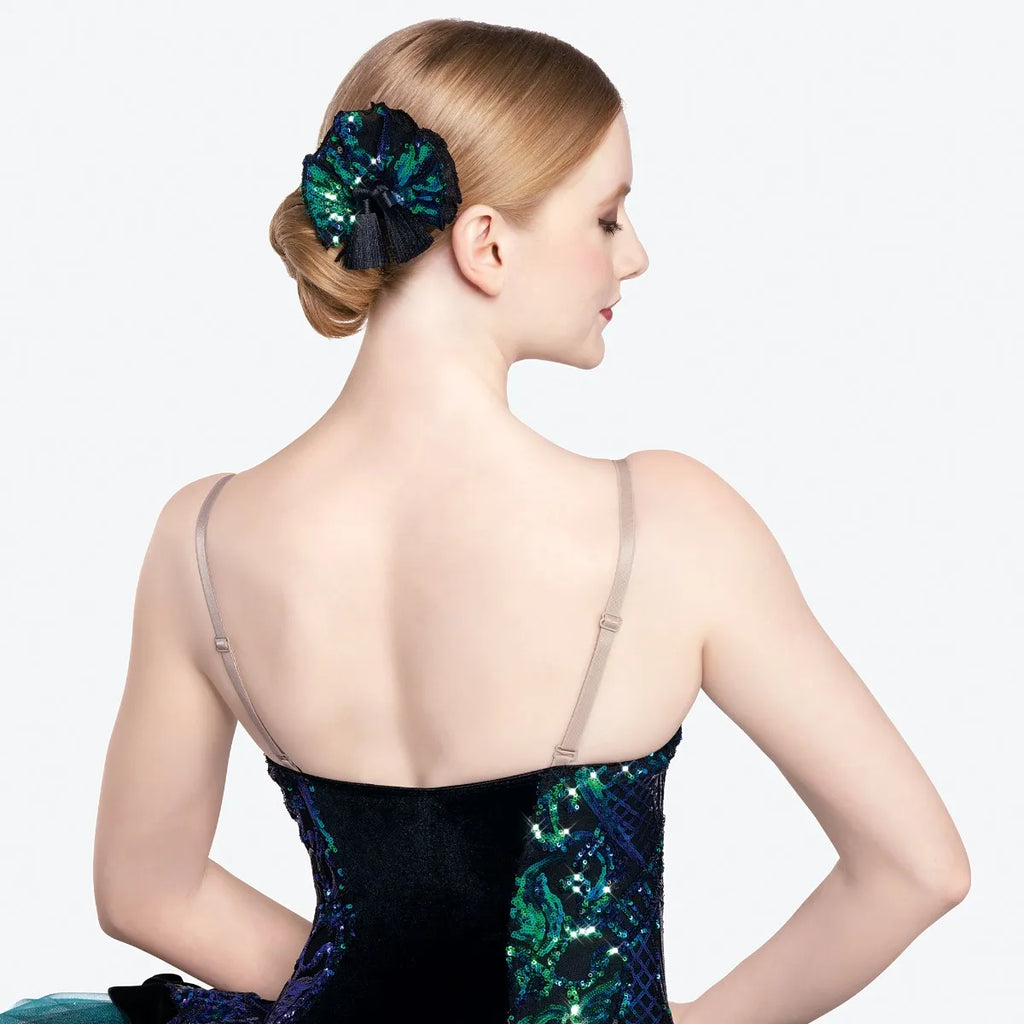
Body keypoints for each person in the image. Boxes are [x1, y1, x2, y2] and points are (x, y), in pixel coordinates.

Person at [2, 17, 969, 1024]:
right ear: (488, 243)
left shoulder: (200, 537)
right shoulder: (670, 524)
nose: (635, 255)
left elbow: (146, 889)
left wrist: (376, 996)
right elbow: (919, 868)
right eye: (607, 218)